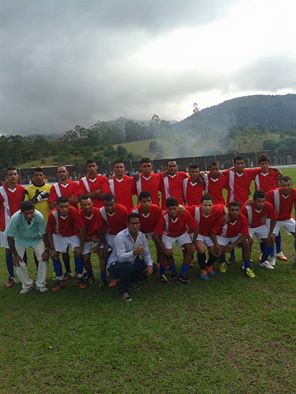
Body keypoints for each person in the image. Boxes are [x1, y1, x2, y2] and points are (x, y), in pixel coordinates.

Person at [107, 212, 154, 301]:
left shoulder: (142, 236)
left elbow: (146, 254)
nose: (135, 226)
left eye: (137, 223)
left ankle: (132, 281)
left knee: (153, 267)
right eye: (132, 223)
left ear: (140, 224)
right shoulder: (120, 236)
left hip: (131, 263)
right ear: (127, 224)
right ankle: (122, 291)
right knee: (127, 266)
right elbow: (120, 258)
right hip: (115, 265)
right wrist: (133, 252)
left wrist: (150, 265)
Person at [5, 201, 49, 294]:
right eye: (26, 213)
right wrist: (15, 254)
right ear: (21, 212)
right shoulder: (15, 218)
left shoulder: (39, 216)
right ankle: (26, 285)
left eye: (31, 212)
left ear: (34, 210)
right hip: (20, 239)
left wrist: (46, 249)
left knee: (43, 258)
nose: (29, 215)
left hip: (36, 239)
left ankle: (41, 284)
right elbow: (9, 236)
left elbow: (44, 233)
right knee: (17, 262)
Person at [46, 197, 86, 291]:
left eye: (66, 206)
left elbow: (81, 229)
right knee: (55, 255)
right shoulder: (52, 214)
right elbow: (49, 232)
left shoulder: (74, 211)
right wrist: (51, 248)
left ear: (69, 206)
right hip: (59, 235)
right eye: (61, 207)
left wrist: (81, 246)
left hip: (72, 234)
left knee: (77, 252)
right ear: (57, 207)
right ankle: (60, 279)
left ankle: (80, 277)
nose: (64, 209)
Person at [153, 197, 197, 284]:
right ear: (167, 209)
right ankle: (172, 273)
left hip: (182, 233)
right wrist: (163, 248)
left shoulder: (183, 213)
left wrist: (193, 242)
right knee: (167, 252)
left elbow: (196, 227)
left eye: (174, 208)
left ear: (178, 207)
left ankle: (183, 274)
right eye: (170, 209)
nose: (172, 211)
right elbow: (155, 235)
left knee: (190, 249)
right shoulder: (163, 217)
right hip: (168, 235)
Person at [48, 165, 79, 277]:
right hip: (60, 222)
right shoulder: (54, 187)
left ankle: (78, 272)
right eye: (59, 172)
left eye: (63, 171)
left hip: (72, 219)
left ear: (67, 172)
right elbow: (52, 204)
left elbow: (76, 199)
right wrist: (67, 199)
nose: (62, 173)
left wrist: (61, 201)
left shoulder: (75, 184)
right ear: (57, 174)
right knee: (63, 251)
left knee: (76, 251)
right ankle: (68, 271)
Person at [212, 201, 255, 278]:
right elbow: (213, 232)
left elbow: (245, 235)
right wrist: (215, 244)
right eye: (232, 210)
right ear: (228, 210)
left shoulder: (242, 218)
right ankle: (222, 262)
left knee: (246, 243)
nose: (235, 212)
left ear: (239, 211)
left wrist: (233, 244)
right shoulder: (223, 218)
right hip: (223, 236)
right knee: (219, 248)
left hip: (235, 236)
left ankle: (246, 266)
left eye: (237, 210)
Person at [187, 195, 225, 280]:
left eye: (209, 205)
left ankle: (208, 265)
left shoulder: (217, 209)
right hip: (198, 233)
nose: (207, 208)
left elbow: (223, 206)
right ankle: (203, 269)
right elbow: (181, 208)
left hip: (210, 234)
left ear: (213, 205)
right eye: (205, 205)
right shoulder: (194, 209)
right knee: (201, 248)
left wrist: (226, 213)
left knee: (217, 251)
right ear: (200, 204)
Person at [0, 167, 25, 288]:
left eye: (15, 174)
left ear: (18, 176)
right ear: (7, 177)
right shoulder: (1, 191)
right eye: (10, 174)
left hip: (20, 224)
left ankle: (24, 275)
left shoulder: (23, 190)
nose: (13, 176)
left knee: (22, 248)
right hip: (6, 225)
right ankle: (11, 276)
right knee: (8, 250)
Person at [98, 193, 129, 286]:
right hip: (111, 235)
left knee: (124, 253)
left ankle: (119, 276)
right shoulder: (101, 212)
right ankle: (103, 277)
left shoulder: (122, 210)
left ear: (115, 203)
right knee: (102, 252)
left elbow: (128, 227)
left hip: (123, 234)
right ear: (103, 204)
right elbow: (100, 229)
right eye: (107, 205)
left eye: (111, 205)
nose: (110, 207)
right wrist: (104, 243)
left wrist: (127, 240)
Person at [242, 190, 277, 270]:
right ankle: (246, 264)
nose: (262, 203)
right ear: (253, 201)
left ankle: (263, 261)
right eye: (259, 201)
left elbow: (273, 219)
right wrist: (247, 235)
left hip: (260, 226)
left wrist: (271, 233)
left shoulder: (268, 205)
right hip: (248, 227)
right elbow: (241, 223)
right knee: (247, 242)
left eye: (263, 201)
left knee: (271, 239)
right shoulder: (246, 208)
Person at [132, 191, 163, 280]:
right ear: (140, 202)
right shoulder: (135, 211)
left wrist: (156, 233)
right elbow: (134, 227)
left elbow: (159, 223)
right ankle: (138, 266)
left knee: (160, 246)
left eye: (149, 201)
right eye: (144, 201)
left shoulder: (156, 209)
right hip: (141, 232)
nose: (147, 203)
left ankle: (159, 264)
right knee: (137, 248)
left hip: (153, 231)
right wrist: (141, 235)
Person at [266, 176, 296, 263]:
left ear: (292, 185)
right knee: (270, 238)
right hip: (275, 220)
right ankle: (272, 257)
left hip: (287, 219)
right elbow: (261, 200)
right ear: (279, 184)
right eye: (284, 185)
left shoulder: (294, 192)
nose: (286, 187)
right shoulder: (272, 193)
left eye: (288, 185)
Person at [79, 196, 103, 284]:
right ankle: (90, 275)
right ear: (81, 205)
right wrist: (89, 238)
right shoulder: (79, 214)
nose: (87, 207)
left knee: (102, 253)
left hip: (98, 238)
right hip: (86, 239)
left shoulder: (98, 211)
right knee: (85, 258)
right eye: (84, 205)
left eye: (88, 204)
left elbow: (102, 230)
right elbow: (80, 232)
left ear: (92, 203)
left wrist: (98, 243)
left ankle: (103, 275)